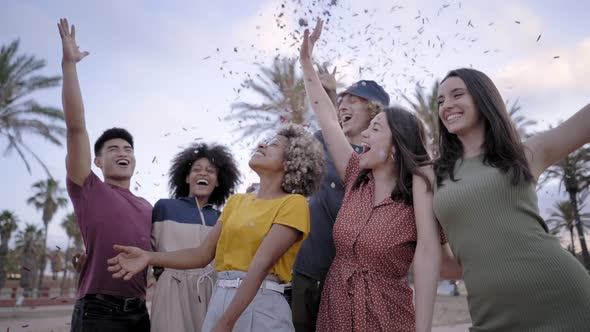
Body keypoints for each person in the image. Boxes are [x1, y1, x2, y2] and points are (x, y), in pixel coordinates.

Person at [107, 124, 325, 332]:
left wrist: (227, 322)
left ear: (290, 162)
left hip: (262, 303)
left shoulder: (293, 204)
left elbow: (259, 266)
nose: (262, 145)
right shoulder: (237, 202)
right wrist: (148, 257)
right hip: (219, 299)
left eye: (274, 145)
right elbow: (201, 255)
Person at [300, 19, 444, 332]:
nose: (363, 136)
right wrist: (306, 62)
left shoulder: (418, 192)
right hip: (335, 309)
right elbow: (326, 114)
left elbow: (430, 256)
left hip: (387, 313)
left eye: (375, 129)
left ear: (396, 147)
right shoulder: (354, 175)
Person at [433, 68, 590, 331]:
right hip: (491, 316)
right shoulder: (433, 176)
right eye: (440, 101)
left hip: (565, 300)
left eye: (457, 94)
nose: (447, 105)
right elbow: (445, 265)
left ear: (483, 99)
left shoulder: (525, 154)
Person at [58, 18, 151, 331]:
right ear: (96, 161)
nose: (122, 152)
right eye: (113, 149)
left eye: (128, 148)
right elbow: (76, 127)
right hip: (98, 312)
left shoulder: (148, 207)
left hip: (140, 313)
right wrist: (69, 65)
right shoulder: (89, 188)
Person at [291, 73, 391, 331]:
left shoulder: (383, 160)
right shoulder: (320, 141)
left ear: (374, 111)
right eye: (341, 101)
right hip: (307, 269)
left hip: (356, 280)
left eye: (353, 101)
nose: (343, 105)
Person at [150, 143, 240, 331]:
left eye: (210, 171)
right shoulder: (164, 207)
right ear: (186, 177)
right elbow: (147, 247)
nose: (203, 174)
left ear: (217, 181)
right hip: (171, 289)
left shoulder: (221, 218)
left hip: (211, 290)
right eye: (196, 170)